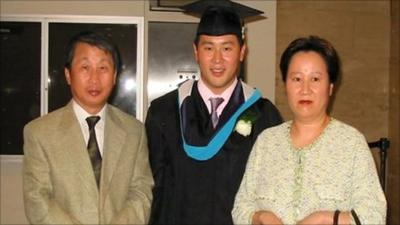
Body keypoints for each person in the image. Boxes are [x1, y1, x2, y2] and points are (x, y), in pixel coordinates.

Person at [145, 1, 282, 224]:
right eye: (209, 48)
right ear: (195, 51)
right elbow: (152, 190)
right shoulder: (164, 113)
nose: (217, 59)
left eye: (227, 48)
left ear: (242, 52)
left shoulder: (264, 116)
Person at [232, 36, 387, 225]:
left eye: (315, 79)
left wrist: (326, 218)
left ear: (330, 87)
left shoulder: (351, 143)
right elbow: (241, 207)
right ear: (286, 86)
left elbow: (375, 215)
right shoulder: (267, 141)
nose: (305, 89)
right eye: (296, 79)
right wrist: (259, 217)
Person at [23, 31, 153, 224]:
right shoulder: (39, 133)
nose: (94, 78)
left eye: (103, 68)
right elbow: (37, 200)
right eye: (85, 67)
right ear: (68, 74)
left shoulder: (134, 131)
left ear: (115, 76)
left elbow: (141, 191)